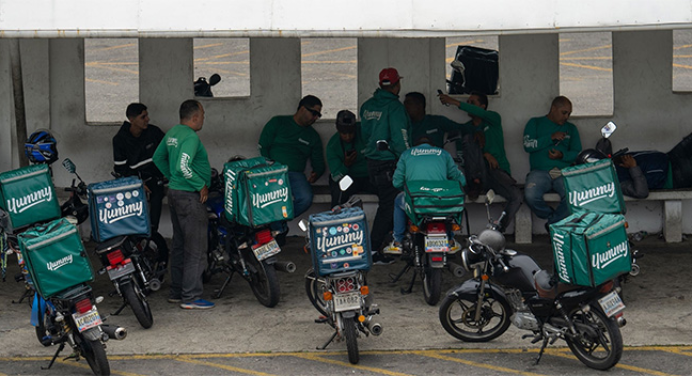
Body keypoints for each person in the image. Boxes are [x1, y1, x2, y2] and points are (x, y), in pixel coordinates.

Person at [152, 99, 214, 310]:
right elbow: (183, 165)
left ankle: (177, 292)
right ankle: (191, 297)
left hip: (175, 193)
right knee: (196, 248)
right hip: (189, 197)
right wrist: (200, 185)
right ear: (195, 117)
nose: (203, 118)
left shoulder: (172, 133)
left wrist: (172, 177)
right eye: (203, 114)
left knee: (179, 245)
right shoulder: (190, 137)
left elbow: (157, 157)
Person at [438, 92, 523, 233]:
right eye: (468, 103)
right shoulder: (468, 127)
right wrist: (483, 153)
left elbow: (479, 113)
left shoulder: (494, 119)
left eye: (472, 103)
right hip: (477, 174)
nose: (469, 106)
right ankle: (475, 182)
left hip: (497, 173)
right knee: (468, 138)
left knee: (517, 197)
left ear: (483, 106)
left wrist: (454, 101)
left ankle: (498, 229)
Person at [360, 67, 411, 264]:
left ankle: (384, 244)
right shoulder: (395, 108)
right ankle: (373, 250)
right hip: (391, 163)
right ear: (397, 84)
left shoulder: (367, 106)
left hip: (372, 163)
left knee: (388, 203)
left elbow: (365, 135)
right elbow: (401, 138)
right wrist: (409, 160)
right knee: (390, 206)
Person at [384, 136, 466, 253]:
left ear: (415, 146)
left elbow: (397, 182)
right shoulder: (443, 154)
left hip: (416, 201)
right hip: (439, 198)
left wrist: (407, 189)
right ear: (432, 145)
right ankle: (450, 241)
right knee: (446, 213)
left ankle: (398, 242)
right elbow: (460, 180)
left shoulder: (407, 154)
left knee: (398, 200)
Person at [112, 103, 169, 262]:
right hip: (133, 182)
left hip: (155, 180)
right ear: (131, 119)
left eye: (147, 115)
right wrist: (137, 183)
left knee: (156, 196)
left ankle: (153, 237)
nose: (147, 119)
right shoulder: (119, 140)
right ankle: (135, 241)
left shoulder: (153, 132)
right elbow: (121, 170)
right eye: (143, 117)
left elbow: (170, 149)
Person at [258, 95, 326, 217]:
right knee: (269, 200)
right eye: (314, 113)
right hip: (273, 171)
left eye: (318, 115)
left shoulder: (312, 136)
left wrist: (317, 173)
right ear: (302, 109)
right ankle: (276, 227)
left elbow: (319, 162)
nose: (316, 118)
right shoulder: (278, 122)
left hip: (295, 174)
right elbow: (263, 146)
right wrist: (270, 167)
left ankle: (277, 222)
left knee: (305, 198)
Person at [523, 96, 582, 227]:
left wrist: (562, 155)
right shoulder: (535, 123)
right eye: (564, 113)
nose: (566, 117)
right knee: (530, 196)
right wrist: (550, 137)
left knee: (573, 196)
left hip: (560, 172)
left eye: (569, 113)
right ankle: (554, 220)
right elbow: (528, 145)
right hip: (540, 172)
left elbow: (576, 152)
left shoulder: (571, 129)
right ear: (553, 109)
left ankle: (553, 224)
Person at [325, 110, 374, 207]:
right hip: (349, 178)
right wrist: (346, 165)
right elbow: (336, 176)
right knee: (339, 191)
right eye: (344, 133)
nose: (348, 137)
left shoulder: (365, 132)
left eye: (351, 132)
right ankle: (335, 220)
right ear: (338, 130)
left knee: (387, 190)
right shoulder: (333, 145)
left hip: (368, 177)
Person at [404, 92, 471, 149]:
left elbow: (462, 129)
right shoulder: (405, 126)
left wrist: (477, 131)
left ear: (419, 106)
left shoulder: (437, 121)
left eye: (409, 103)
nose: (405, 107)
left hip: (437, 160)